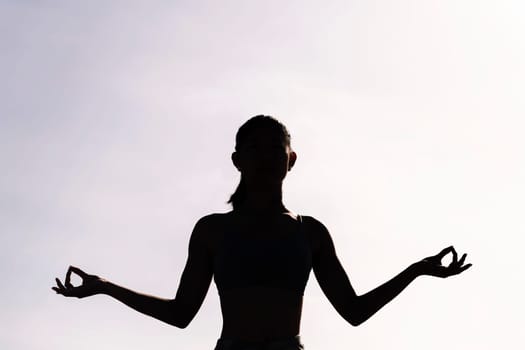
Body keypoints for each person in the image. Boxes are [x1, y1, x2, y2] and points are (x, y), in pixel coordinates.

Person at [52, 115, 472, 350]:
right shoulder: (213, 231)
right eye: (254, 148)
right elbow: (181, 314)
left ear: (292, 160)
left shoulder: (310, 233)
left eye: (276, 148)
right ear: (237, 159)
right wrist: (106, 288)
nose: (266, 157)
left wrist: (416, 271)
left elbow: (353, 311)